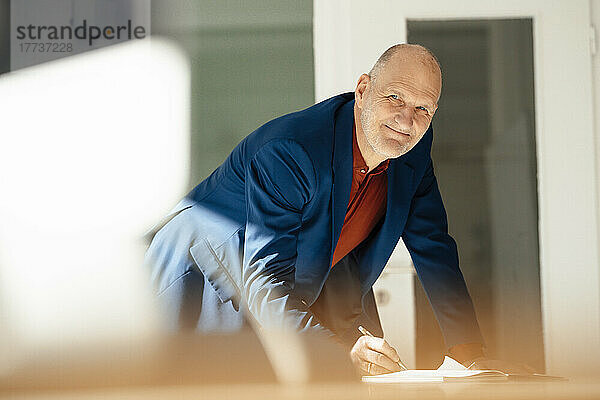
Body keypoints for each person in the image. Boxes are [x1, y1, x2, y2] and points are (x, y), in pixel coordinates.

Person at [146, 44, 489, 375]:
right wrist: (336, 351)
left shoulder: (412, 146)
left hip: (307, 274)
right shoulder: (292, 152)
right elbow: (266, 281)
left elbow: (434, 246)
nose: (406, 118)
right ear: (363, 89)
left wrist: (469, 353)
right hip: (208, 271)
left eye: (422, 108)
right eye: (395, 96)